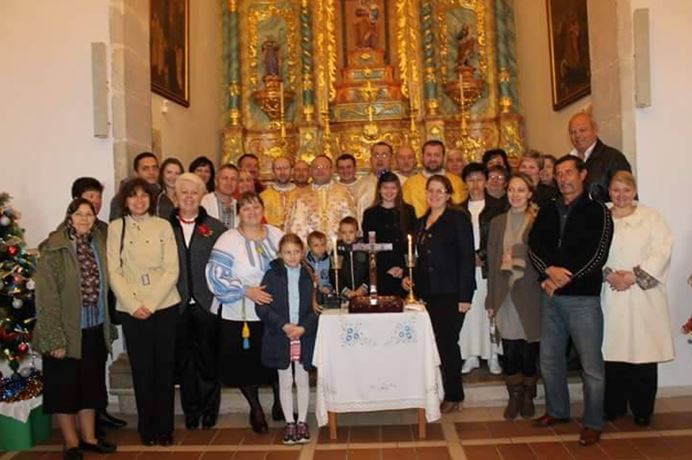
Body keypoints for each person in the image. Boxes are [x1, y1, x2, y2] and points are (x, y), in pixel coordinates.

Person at [528, 156, 613, 446]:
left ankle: (593, 422)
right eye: (559, 173)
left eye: (568, 172)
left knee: (591, 365)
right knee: (550, 359)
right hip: (550, 297)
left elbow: (598, 254)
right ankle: (557, 410)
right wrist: (547, 274)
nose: (563, 178)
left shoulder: (598, 211)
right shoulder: (548, 209)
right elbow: (534, 246)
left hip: (582, 300)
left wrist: (564, 278)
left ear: (582, 174)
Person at [33, 198, 117, 460]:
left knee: (90, 387)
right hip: (65, 332)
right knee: (65, 390)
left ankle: (89, 438)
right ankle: (70, 442)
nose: (84, 219)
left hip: (93, 328)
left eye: (89, 214)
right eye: (78, 214)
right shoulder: (54, 248)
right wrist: (54, 338)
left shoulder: (99, 243)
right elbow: (46, 298)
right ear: (69, 217)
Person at [107, 178, 180, 446]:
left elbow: (171, 269)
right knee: (142, 369)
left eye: (144, 195)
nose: (139, 201)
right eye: (133, 196)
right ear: (124, 201)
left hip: (164, 305)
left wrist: (150, 304)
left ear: (151, 199)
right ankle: (147, 428)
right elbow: (113, 270)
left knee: (165, 369)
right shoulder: (116, 228)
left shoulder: (163, 225)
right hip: (131, 308)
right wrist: (133, 303)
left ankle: (165, 428)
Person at [206, 193, 284, 433]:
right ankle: (256, 408)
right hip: (240, 311)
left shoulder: (276, 234)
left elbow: (293, 261)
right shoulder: (228, 239)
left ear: (263, 209)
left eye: (256, 206)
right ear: (239, 212)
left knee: (276, 357)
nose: (252, 212)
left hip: (274, 311)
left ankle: (280, 401)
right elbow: (215, 275)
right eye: (246, 208)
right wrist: (246, 290)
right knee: (245, 363)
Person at [601, 171, 674, 426]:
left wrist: (634, 276)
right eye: (616, 190)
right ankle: (613, 405)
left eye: (626, 190)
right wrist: (609, 275)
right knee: (612, 350)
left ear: (634, 191)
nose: (621, 195)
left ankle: (643, 408)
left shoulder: (651, 217)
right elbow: (588, 249)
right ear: (609, 191)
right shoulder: (600, 216)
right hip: (610, 293)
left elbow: (661, 250)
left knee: (643, 351)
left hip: (644, 296)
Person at [403, 175, 475, 413]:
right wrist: (410, 279)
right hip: (428, 292)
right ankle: (434, 390)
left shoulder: (457, 219)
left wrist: (465, 296)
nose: (434, 195)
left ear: (448, 194)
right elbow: (419, 259)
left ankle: (454, 394)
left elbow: (466, 257)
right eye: (430, 191)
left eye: (439, 191)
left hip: (451, 292)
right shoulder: (421, 222)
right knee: (433, 342)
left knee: (447, 343)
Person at [169, 173, 226, 430]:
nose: (189, 197)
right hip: (176, 302)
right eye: (184, 192)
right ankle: (191, 410)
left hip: (207, 302)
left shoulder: (215, 228)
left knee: (208, 360)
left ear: (202, 195)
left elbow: (225, 264)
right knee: (184, 361)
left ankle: (210, 409)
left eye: (194, 192)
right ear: (176, 196)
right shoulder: (164, 227)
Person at [69, 178, 127, 432]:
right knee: (80, 370)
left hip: (101, 311)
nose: (95, 202)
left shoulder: (105, 229)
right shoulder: (65, 236)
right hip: (76, 316)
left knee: (97, 362)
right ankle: (84, 423)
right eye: (89, 196)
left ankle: (99, 411)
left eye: (98, 197)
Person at [485, 174, 541, 420]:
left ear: (530, 193)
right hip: (504, 293)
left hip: (530, 293)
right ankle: (514, 395)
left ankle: (528, 395)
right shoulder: (497, 223)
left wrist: (517, 252)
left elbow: (542, 254)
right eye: (511, 190)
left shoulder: (538, 220)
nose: (515, 195)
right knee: (510, 349)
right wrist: (491, 299)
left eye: (521, 190)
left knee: (529, 349)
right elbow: (492, 259)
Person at [256, 234, 318, 444]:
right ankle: (289, 422)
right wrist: (283, 325)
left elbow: (316, 307)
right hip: (280, 335)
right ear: (280, 254)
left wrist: (303, 327)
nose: (292, 256)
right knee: (285, 381)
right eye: (287, 252)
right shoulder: (271, 275)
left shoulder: (309, 274)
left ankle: (302, 421)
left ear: (302, 252)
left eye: (296, 252)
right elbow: (262, 306)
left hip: (303, 335)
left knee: (302, 380)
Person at [458, 163, 505, 375]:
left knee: (490, 311)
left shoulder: (497, 207)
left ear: (486, 182)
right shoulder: (458, 209)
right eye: (470, 180)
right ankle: (471, 355)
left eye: (479, 179)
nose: (475, 184)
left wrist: (482, 256)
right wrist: (467, 259)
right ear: (465, 183)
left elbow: (501, 238)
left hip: (489, 268)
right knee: (469, 312)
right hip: (465, 269)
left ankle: (493, 354)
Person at [362, 172, 416, 297]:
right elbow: (369, 245)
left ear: (398, 190)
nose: (389, 192)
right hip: (380, 270)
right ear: (379, 189)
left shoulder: (408, 211)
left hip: (404, 271)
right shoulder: (370, 214)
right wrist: (387, 267)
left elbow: (411, 244)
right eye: (385, 188)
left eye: (393, 188)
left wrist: (404, 269)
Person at [285, 155, 357, 243]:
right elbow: (292, 227)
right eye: (316, 167)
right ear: (311, 171)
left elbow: (352, 223)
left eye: (324, 167)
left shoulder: (344, 193)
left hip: (339, 247)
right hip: (308, 248)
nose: (320, 170)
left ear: (332, 170)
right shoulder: (299, 196)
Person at [567, 112, 631, 202]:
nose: (577, 135)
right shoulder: (566, 163)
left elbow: (626, 199)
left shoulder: (613, 158)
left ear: (595, 130)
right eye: (573, 132)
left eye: (582, 130)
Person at [403, 140, 467, 218]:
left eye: (437, 155)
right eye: (429, 155)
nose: (432, 159)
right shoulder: (410, 184)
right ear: (422, 157)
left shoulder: (457, 182)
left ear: (443, 157)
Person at [109, 152, 159, 220]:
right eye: (145, 168)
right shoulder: (121, 198)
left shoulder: (163, 194)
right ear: (136, 173)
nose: (151, 172)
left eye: (155, 168)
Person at [332, 216, 369, 299]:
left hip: (364, 294)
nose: (347, 235)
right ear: (339, 233)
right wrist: (345, 290)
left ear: (357, 233)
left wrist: (364, 287)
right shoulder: (337, 251)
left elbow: (371, 270)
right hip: (344, 295)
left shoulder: (365, 249)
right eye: (344, 232)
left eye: (351, 232)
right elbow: (333, 273)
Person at [260, 156, 297, 229]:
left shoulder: (302, 195)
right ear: (273, 172)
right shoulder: (263, 197)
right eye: (278, 168)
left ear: (292, 170)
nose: (282, 172)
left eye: (286, 168)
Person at [201, 164, 239, 229]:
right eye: (225, 178)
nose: (229, 183)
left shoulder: (239, 205)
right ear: (216, 181)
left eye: (233, 179)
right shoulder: (204, 202)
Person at [305, 231, 332, 304]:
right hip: (310, 294)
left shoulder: (330, 260)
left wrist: (328, 288)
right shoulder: (305, 261)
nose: (320, 248)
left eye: (323, 245)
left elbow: (333, 278)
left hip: (326, 293)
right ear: (309, 247)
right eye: (316, 245)